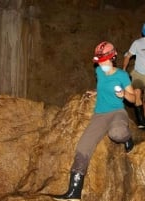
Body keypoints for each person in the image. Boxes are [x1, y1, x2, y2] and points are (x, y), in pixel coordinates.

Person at [52, 41, 136, 200]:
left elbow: (133, 98)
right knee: (83, 146)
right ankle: (74, 191)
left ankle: (128, 138)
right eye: (100, 61)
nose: (101, 64)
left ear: (113, 58)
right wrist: (96, 92)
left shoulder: (122, 75)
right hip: (100, 115)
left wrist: (123, 95)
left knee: (117, 133)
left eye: (104, 61)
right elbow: (103, 85)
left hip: (117, 112)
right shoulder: (99, 71)